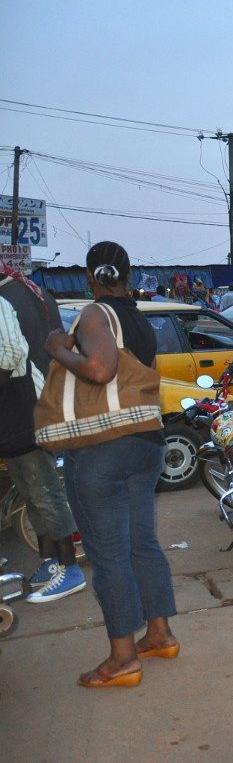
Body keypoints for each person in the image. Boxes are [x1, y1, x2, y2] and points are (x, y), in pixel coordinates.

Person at [44, 241, 178, 688]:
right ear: (128, 274)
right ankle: (158, 634)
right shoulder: (139, 319)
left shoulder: (96, 315)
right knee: (142, 541)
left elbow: (100, 370)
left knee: (108, 554)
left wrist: (58, 348)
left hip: (104, 449)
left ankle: (123, 658)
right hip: (146, 443)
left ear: (89, 277)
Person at [0, 256, 87, 603]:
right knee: (33, 493)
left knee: (44, 492)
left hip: (23, 410)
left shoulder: (5, 298)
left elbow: (9, 358)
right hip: (41, 403)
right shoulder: (35, 291)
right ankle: (52, 563)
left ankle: (70, 570)